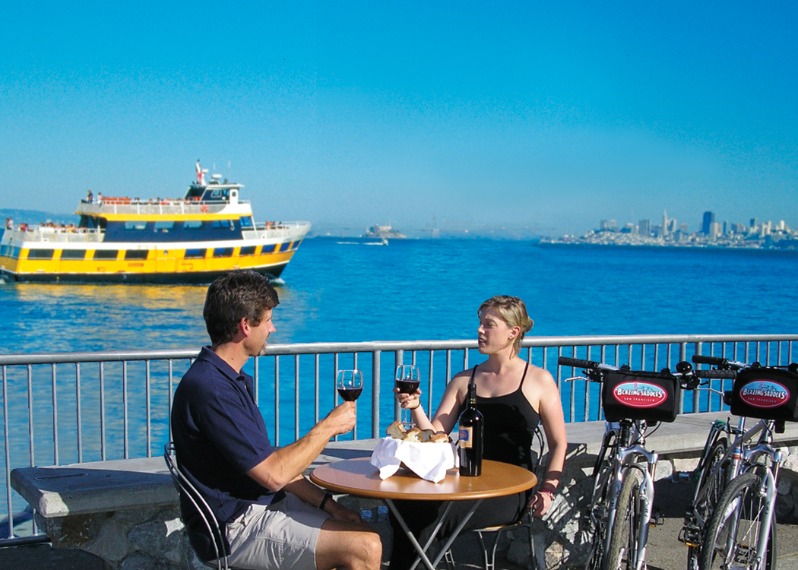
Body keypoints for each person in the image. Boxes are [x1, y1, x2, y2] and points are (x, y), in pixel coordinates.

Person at [171, 270, 382, 570]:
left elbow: (266, 461)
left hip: (257, 506)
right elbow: (275, 475)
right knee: (365, 547)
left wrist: (330, 505)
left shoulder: (227, 379)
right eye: (267, 320)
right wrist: (328, 428)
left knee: (356, 529)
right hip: (232, 528)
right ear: (246, 325)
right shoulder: (212, 390)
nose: (272, 328)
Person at [390, 295, 567, 570]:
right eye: (480, 323)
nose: (479, 330)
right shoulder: (464, 379)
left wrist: (547, 490)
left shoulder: (539, 381)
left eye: (489, 324)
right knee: (405, 507)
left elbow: (558, 443)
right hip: (464, 482)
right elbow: (434, 436)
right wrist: (416, 407)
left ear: (513, 332)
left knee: (431, 517)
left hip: (511, 490)